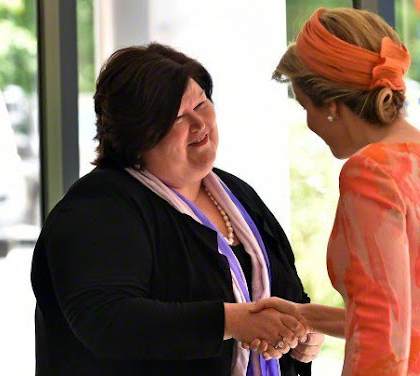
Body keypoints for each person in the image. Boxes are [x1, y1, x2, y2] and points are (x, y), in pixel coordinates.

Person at [30, 43, 320, 376]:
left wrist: (301, 331)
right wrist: (232, 322)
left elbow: (282, 289)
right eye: (177, 116)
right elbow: (107, 320)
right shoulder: (96, 209)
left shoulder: (237, 194)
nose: (200, 123)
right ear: (137, 135)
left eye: (201, 103)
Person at [249, 7, 420, 376]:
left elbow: (384, 332)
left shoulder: (371, 171)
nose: (308, 122)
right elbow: (418, 317)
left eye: (304, 106)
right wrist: (306, 315)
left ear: (331, 105)